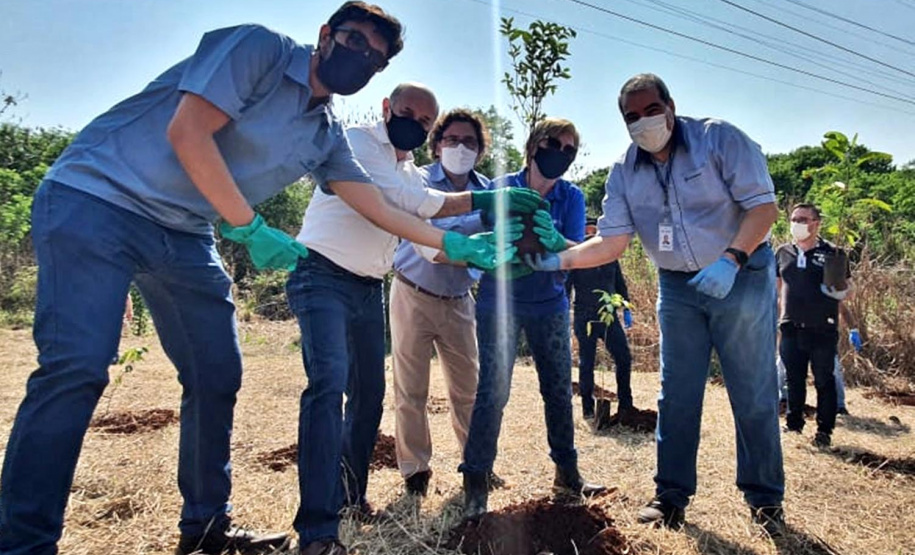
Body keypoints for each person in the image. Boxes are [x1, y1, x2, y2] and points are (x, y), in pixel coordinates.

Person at [0, 4, 506, 555]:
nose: (362, 57)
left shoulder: (325, 133)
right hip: (98, 197)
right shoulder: (258, 48)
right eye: (354, 41)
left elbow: (379, 206)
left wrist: (453, 242)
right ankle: (23, 541)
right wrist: (251, 227)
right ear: (325, 35)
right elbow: (188, 131)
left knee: (217, 373)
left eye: (375, 57)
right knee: (77, 367)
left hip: (184, 228)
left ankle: (206, 526)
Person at [528, 74, 785, 534]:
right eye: (631, 117)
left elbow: (763, 208)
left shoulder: (719, 139)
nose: (643, 122)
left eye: (650, 110)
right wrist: (557, 259)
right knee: (676, 393)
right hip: (678, 286)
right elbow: (611, 243)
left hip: (742, 275)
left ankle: (764, 499)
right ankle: (670, 496)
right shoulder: (624, 172)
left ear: (670, 105)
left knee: (752, 391)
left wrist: (731, 259)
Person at [288, 87, 537, 554]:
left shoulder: (404, 168)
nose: (415, 124)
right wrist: (480, 210)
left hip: (367, 284)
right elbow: (407, 202)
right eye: (408, 114)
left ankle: (349, 496)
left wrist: (468, 243)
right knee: (329, 389)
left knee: (369, 398)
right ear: (386, 109)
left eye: (424, 120)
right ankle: (318, 530)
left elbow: (418, 233)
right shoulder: (360, 142)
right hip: (322, 274)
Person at [460, 117, 606, 520]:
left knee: (559, 391)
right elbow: (496, 234)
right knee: (493, 392)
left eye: (569, 149)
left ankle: (567, 473)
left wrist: (558, 246)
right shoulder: (501, 188)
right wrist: (530, 243)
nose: (560, 153)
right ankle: (476, 480)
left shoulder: (572, 197)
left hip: (550, 304)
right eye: (553, 144)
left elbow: (574, 250)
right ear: (533, 145)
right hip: (499, 303)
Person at [389, 109, 491, 497]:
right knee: (410, 389)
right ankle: (415, 470)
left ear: (480, 150)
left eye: (469, 141)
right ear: (436, 145)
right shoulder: (416, 182)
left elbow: (500, 241)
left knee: (469, 389)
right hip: (412, 292)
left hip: (459, 300)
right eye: (452, 140)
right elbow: (426, 239)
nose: (460, 148)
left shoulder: (488, 193)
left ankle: (475, 464)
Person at [776, 203, 859, 447]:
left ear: (816, 223)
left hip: (823, 326)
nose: (797, 224)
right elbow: (779, 288)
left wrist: (842, 293)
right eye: (794, 219)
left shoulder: (833, 254)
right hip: (791, 326)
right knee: (794, 378)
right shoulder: (783, 252)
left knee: (824, 379)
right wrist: (781, 318)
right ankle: (794, 424)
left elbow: (849, 289)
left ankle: (824, 430)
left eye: (803, 219)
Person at [567, 219, 634, 418]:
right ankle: (588, 408)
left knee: (624, 358)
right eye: (587, 231)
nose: (591, 234)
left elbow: (619, 285)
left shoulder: (610, 257)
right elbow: (566, 287)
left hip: (609, 315)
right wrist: (563, 310)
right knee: (587, 362)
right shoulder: (578, 255)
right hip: (584, 315)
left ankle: (625, 404)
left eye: (594, 230)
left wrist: (626, 307)